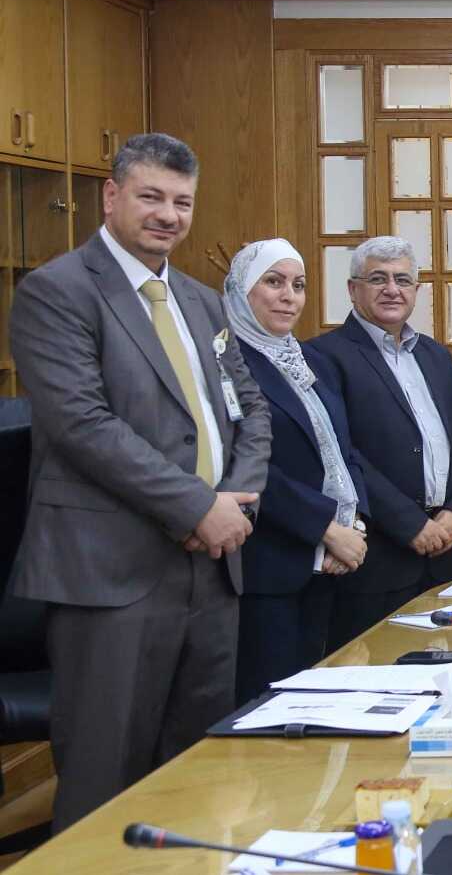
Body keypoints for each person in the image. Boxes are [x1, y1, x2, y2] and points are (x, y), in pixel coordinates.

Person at [8, 133, 271, 831]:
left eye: (182, 202)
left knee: (196, 775)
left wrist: (235, 504)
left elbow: (251, 410)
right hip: (113, 574)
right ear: (111, 196)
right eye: (151, 196)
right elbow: (83, 425)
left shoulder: (201, 302)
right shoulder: (57, 291)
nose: (168, 215)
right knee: (105, 779)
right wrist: (197, 507)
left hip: (213, 568)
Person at [306, 236, 452, 648]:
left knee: (443, 666)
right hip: (376, 558)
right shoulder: (323, 356)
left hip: (442, 550)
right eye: (378, 279)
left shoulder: (436, 356)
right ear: (353, 289)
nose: (392, 289)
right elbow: (341, 453)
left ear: (416, 290)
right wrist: (410, 523)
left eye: (402, 280)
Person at [225, 239, 370, 706]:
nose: (289, 296)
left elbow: (345, 448)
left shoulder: (312, 360)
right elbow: (244, 464)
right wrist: (326, 529)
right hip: (269, 565)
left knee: (319, 704)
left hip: (330, 563)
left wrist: (353, 524)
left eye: (299, 285)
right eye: (274, 282)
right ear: (241, 289)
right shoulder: (225, 363)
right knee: (269, 707)